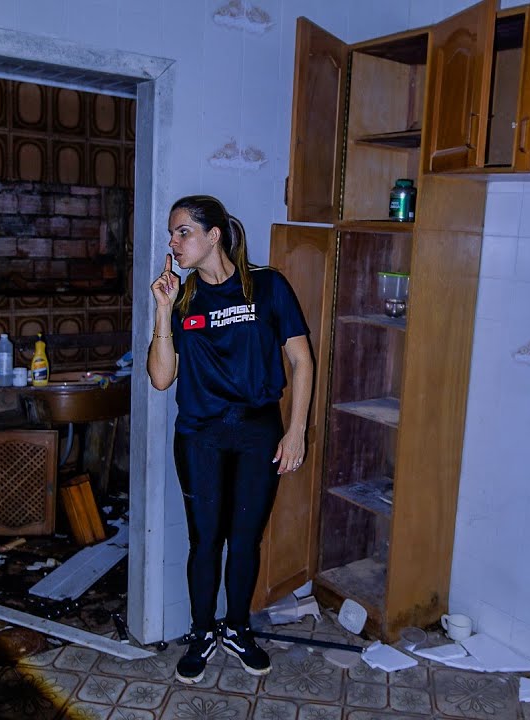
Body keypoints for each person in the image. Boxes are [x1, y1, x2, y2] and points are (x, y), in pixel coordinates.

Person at [148, 195, 313, 683]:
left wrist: (296, 430)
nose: (173, 243)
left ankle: (238, 628)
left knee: (244, 540)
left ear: (213, 235)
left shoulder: (268, 286)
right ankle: (202, 632)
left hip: (257, 432)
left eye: (182, 232)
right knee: (205, 541)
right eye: (172, 234)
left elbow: (301, 360)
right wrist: (162, 311)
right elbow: (161, 378)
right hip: (200, 435)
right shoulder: (181, 299)